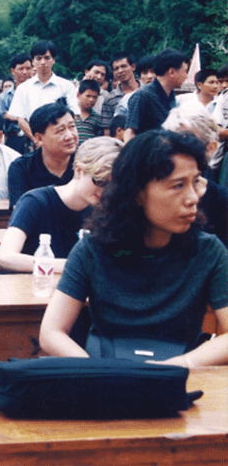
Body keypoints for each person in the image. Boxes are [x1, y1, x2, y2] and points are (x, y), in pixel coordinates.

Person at [39, 130, 227, 366]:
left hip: (181, 380)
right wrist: (101, 373)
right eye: (178, 185)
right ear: (137, 193)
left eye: (195, 182)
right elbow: (51, 333)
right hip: (105, 382)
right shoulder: (92, 249)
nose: (193, 198)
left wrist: (180, 365)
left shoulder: (208, 251)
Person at [0, 136, 123, 273]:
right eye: (100, 181)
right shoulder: (35, 201)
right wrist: (72, 266)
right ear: (78, 170)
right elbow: (5, 257)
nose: (104, 191)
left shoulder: (108, 211)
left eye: (112, 187)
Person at [162, 103, 227, 246]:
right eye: (171, 140)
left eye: (187, 141)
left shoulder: (220, 200)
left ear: (210, 148)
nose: (176, 149)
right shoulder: (153, 191)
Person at [8, 102, 77, 207]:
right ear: (39, 138)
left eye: (72, 127)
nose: (70, 136)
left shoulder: (88, 162)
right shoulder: (21, 167)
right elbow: (19, 212)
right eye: (61, 130)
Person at [7, 41, 75, 142]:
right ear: (33, 61)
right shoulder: (23, 88)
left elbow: (74, 116)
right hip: (32, 141)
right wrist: (37, 140)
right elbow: (21, 119)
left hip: (60, 140)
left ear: (53, 60)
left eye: (47, 58)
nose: (43, 62)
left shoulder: (66, 86)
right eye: (38, 58)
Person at [125, 48, 189, 141]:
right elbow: (130, 132)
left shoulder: (171, 96)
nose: (186, 76)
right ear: (171, 72)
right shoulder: (142, 96)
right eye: (185, 71)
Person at [101, 52, 141, 135]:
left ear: (133, 66)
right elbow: (108, 131)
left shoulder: (148, 91)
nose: (120, 71)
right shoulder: (110, 99)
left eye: (124, 66)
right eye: (116, 68)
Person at [74, 80, 104, 144]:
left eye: (94, 97)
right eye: (88, 96)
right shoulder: (71, 115)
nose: (91, 100)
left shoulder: (98, 118)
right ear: (78, 95)